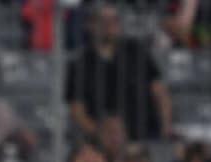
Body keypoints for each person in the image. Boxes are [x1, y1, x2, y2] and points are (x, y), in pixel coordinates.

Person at [65, 3, 172, 140]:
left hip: (145, 135)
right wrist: (101, 137)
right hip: (102, 143)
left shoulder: (137, 51)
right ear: (90, 24)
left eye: (114, 20)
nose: (109, 26)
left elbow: (160, 93)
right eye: (103, 21)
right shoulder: (78, 65)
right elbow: (77, 110)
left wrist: (165, 127)